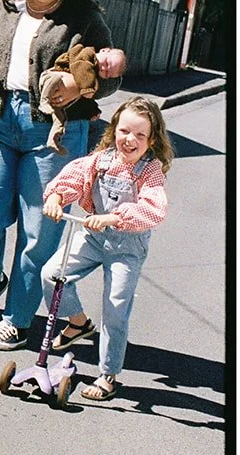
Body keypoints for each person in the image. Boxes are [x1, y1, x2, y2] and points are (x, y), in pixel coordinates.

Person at [0, 0, 118, 349]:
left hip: (57, 134)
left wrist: (80, 87)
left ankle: (17, 319)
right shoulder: (6, 7)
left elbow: (108, 76)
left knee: (39, 232)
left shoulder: (84, 17)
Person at [41, 96, 172, 403]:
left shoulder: (149, 171)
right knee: (51, 274)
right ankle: (78, 323)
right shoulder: (101, 160)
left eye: (140, 135)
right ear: (114, 130)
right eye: (125, 131)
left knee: (115, 309)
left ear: (151, 139)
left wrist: (116, 216)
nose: (130, 140)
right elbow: (73, 178)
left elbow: (155, 209)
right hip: (93, 236)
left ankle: (108, 375)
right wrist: (57, 198)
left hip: (127, 245)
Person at [40, 42, 127, 152]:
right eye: (106, 63)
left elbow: (86, 99)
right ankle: (44, 101)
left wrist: (93, 110)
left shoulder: (93, 75)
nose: (104, 68)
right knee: (55, 78)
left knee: (60, 119)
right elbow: (81, 67)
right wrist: (86, 88)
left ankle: (53, 140)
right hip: (51, 78)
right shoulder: (86, 53)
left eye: (108, 74)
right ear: (104, 50)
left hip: (60, 98)